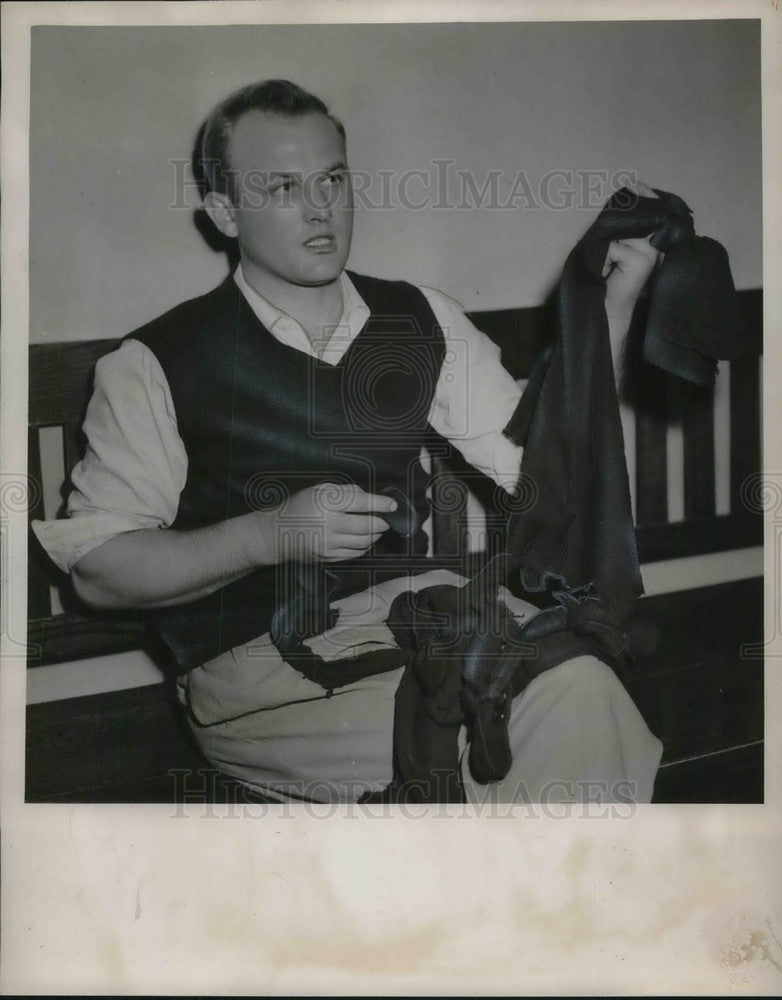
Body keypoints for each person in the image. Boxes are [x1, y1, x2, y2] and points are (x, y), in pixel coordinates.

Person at [33, 80, 663, 804]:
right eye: (281, 187)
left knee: (568, 682)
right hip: (262, 677)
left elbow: (549, 480)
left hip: (423, 621)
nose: (319, 208)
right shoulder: (156, 362)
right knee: (553, 708)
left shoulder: (419, 319)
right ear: (223, 212)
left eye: (332, 179)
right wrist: (270, 534)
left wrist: (607, 310)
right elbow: (99, 572)